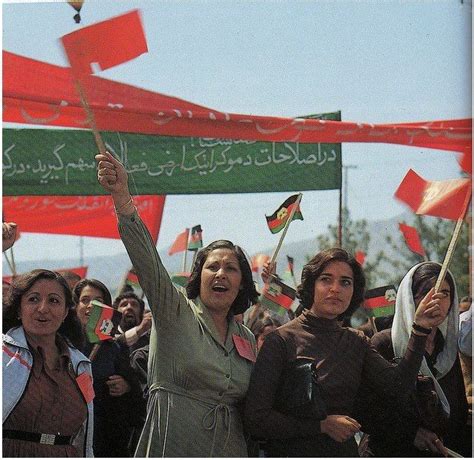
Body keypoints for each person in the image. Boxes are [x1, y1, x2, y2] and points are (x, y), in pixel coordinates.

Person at [96, 150, 259, 457]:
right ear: (199, 275)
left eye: (231, 268)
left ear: (242, 284)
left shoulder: (246, 338)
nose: (221, 273)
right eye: (213, 266)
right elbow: (147, 263)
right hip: (173, 446)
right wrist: (122, 198)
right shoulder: (176, 311)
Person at [244, 248, 447, 457]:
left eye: (345, 282)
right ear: (311, 285)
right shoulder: (280, 340)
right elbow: (256, 419)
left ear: (353, 292)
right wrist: (321, 426)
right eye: (326, 279)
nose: (335, 289)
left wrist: (420, 329)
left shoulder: (356, 341)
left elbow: (397, 387)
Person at [360, 262, 470, 457]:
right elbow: (368, 411)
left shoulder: (448, 348)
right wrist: (411, 434)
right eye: (426, 291)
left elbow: (457, 410)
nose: (436, 299)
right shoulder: (385, 343)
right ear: (410, 298)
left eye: (445, 293)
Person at [3, 269, 93, 457]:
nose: (43, 308)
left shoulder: (80, 365)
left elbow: (86, 435)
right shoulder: (4, 356)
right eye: (33, 299)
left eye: (53, 300)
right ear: (19, 309)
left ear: (66, 312)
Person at [73, 278, 141, 457]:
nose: (90, 306)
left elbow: (136, 389)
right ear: (75, 306)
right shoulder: (61, 342)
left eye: (98, 301)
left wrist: (126, 385)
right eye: (85, 300)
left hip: (104, 435)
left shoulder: (114, 347)